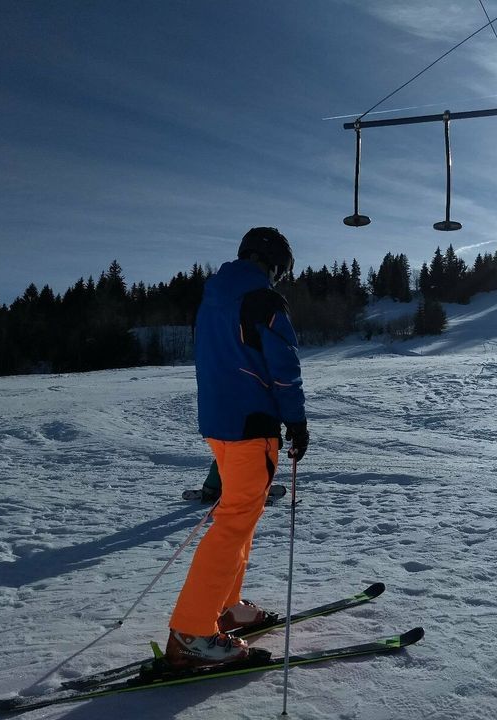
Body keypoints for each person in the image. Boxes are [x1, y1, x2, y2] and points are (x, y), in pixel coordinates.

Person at [165, 227, 309, 668]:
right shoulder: (263, 299)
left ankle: (224, 607)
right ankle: (192, 631)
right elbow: (283, 365)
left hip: (219, 422)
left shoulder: (214, 298)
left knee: (239, 513)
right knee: (234, 522)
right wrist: (296, 421)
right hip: (251, 424)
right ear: (276, 265)